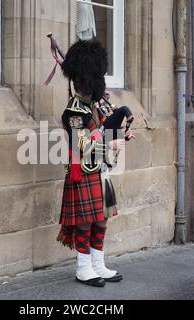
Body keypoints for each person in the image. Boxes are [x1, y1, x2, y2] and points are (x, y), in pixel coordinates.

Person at [57, 40, 134, 288]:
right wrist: (108, 145)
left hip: (99, 171)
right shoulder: (74, 111)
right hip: (82, 170)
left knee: (101, 219)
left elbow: (102, 130)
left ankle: (98, 264)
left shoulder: (95, 106)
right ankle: (83, 268)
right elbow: (81, 144)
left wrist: (121, 134)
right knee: (85, 221)